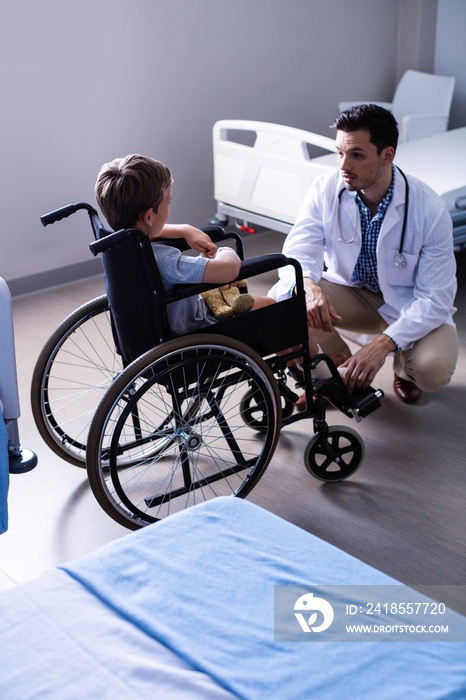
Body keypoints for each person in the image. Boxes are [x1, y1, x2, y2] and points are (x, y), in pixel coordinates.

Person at [272, 104, 458, 404]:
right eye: (340, 153)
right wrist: (309, 287)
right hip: (353, 295)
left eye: (357, 155)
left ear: (387, 155)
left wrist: (383, 345)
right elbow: (299, 248)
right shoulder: (325, 189)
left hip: (410, 303)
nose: (344, 165)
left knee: (432, 370)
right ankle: (336, 370)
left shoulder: (428, 209)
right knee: (287, 297)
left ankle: (404, 370)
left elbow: (436, 298)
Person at [94, 154, 274, 336]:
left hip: (150, 328)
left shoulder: (120, 246)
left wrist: (184, 230)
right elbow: (228, 269)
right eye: (168, 203)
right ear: (149, 216)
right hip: (197, 324)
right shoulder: (165, 261)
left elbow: (147, 231)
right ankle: (295, 363)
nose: (169, 209)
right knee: (271, 306)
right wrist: (224, 251)